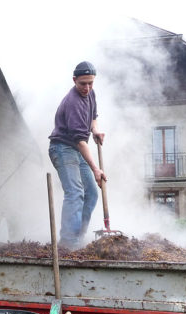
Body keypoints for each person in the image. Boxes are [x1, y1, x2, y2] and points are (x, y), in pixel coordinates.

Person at [48, 61, 107, 248]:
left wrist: (95, 130)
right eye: (83, 83)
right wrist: (96, 169)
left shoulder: (90, 93)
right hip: (63, 148)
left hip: (76, 148)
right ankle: (68, 243)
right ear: (74, 80)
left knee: (91, 193)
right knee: (75, 193)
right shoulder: (73, 103)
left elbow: (93, 116)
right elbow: (81, 142)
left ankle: (78, 239)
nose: (87, 88)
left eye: (91, 83)